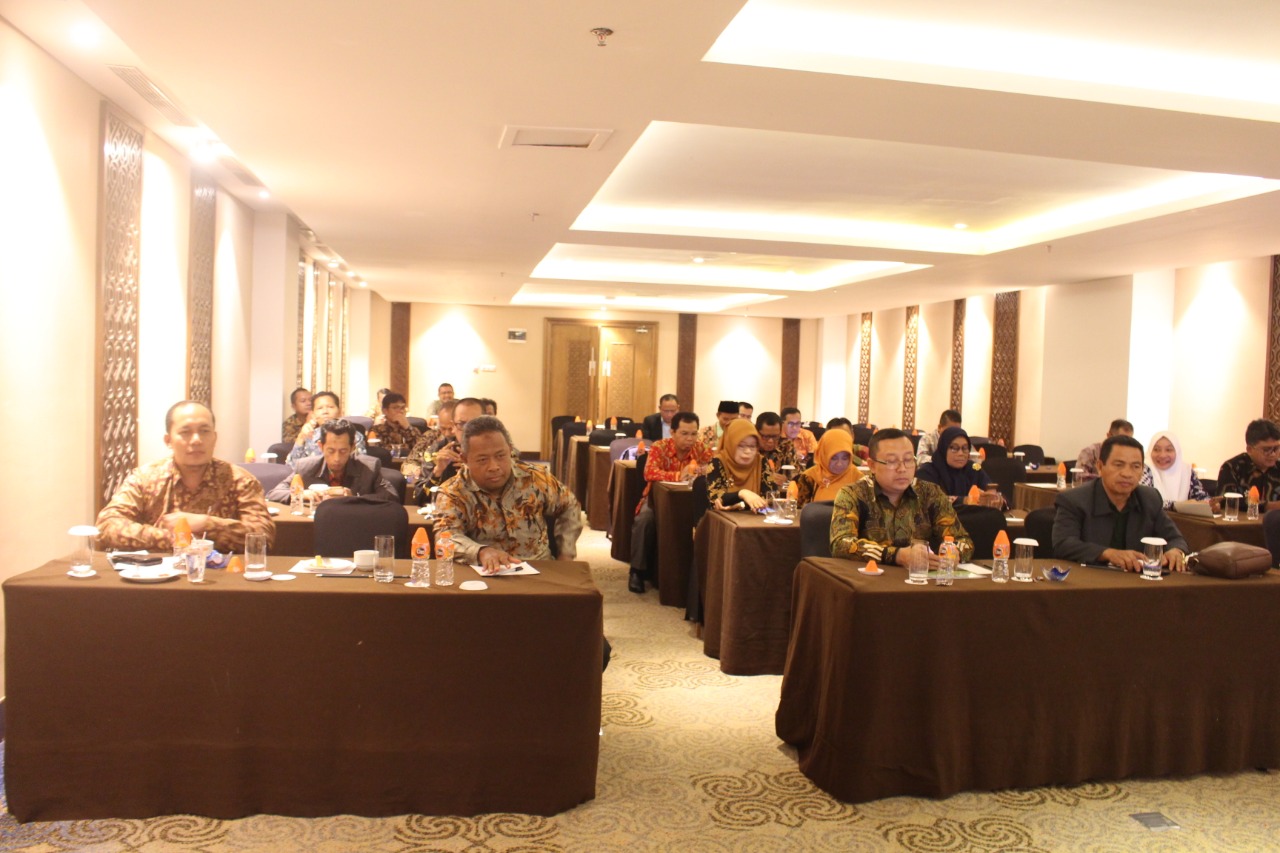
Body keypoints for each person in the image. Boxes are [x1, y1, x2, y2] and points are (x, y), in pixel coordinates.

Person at [97, 401, 275, 552]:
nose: (196, 439)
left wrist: (207, 523)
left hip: (224, 581)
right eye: (185, 432)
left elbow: (263, 537)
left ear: (215, 437)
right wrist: (175, 538)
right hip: (157, 582)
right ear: (168, 441)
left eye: (204, 431)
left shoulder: (240, 480)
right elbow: (107, 525)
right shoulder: (145, 478)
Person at [434, 415, 582, 572]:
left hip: (539, 568)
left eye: (500, 456)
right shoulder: (452, 492)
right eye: (482, 460)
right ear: (464, 459)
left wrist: (566, 554)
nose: (494, 466)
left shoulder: (535, 478)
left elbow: (569, 505)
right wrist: (481, 552)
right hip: (483, 573)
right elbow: (444, 538)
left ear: (510, 450)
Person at [830, 428, 973, 566]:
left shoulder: (931, 493)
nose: (903, 468)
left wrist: (953, 553)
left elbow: (963, 541)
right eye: (892, 461)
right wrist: (896, 556)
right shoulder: (852, 494)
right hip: (871, 582)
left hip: (921, 581)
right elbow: (841, 544)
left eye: (909, 460)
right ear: (872, 465)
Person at [1053, 435, 1188, 571]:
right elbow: (1064, 544)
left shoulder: (1149, 498)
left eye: (1136, 466)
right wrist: (1108, 553)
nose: (1127, 474)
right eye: (1119, 465)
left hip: (1137, 582)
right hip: (1090, 579)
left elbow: (1175, 538)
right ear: (1100, 467)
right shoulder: (1074, 499)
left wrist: (1176, 551)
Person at [629, 411, 713, 593]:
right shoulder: (660, 447)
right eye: (684, 433)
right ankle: (637, 570)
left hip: (690, 501)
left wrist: (705, 470)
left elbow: (713, 470)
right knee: (644, 519)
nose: (690, 439)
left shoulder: (701, 448)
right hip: (656, 500)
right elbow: (649, 473)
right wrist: (677, 475)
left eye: (693, 433)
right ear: (673, 432)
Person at [266, 419, 396, 502]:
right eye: (331, 451)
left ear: (352, 447)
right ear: (320, 446)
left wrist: (355, 498)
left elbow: (391, 496)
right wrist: (301, 494)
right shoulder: (306, 467)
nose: (337, 458)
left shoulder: (369, 467)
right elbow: (274, 493)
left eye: (343, 451)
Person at [706, 419, 780, 510]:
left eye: (752, 446)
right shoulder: (718, 462)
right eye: (741, 445)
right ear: (731, 444)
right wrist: (742, 493)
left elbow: (772, 495)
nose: (747, 451)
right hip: (726, 519)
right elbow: (715, 498)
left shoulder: (761, 461)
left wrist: (750, 504)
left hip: (756, 519)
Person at [417, 397, 485, 496]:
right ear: (454, 426)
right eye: (461, 424)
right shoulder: (438, 450)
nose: (468, 430)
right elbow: (419, 497)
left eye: (474, 424)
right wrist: (438, 471)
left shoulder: (500, 451)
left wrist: (474, 471)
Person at [915, 426, 995, 504]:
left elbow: (990, 486)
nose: (961, 453)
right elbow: (930, 500)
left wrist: (993, 498)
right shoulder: (927, 472)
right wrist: (964, 500)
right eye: (954, 448)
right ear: (944, 449)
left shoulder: (974, 467)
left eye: (965, 448)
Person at [789, 428, 861, 508]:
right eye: (833, 458)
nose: (839, 464)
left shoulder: (859, 479)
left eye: (845, 458)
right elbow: (800, 513)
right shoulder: (809, 478)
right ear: (824, 455)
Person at [289, 391, 368, 463]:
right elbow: (292, 465)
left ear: (339, 411)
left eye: (330, 407)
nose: (325, 412)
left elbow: (361, 465)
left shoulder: (354, 435)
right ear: (313, 414)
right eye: (320, 408)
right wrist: (301, 437)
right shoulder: (309, 436)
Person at [1216, 418, 1280, 507]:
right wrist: (1267, 507)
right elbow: (1225, 500)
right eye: (1266, 450)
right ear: (1249, 449)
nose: (1273, 454)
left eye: (1276, 448)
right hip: (1242, 520)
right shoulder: (1232, 467)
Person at [1139, 431, 1210, 509]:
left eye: (1168, 450)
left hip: (1182, 520)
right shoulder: (1144, 469)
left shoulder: (1187, 471)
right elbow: (1146, 500)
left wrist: (1210, 504)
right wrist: (1178, 505)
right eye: (1156, 449)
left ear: (1177, 451)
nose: (1162, 455)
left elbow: (1201, 496)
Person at [403, 399, 454, 481]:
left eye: (451, 428)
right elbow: (409, 462)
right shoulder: (431, 436)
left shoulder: (468, 442)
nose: (447, 433)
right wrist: (417, 470)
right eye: (443, 428)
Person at [755, 411, 799, 492]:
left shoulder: (786, 446)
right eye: (766, 436)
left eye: (775, 436)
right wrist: (768, 478)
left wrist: (787, 480)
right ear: (757, 432)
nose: (771, 441)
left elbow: (799, 474)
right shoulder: (751, 448)